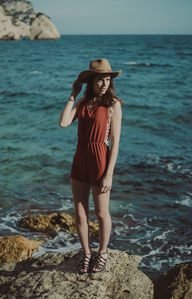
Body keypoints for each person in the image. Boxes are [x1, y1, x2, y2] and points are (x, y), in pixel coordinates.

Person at [59, 58, 122, 274]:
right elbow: (64, 122)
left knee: (102, 213)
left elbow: (115, 143)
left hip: (100, 160)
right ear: (91, 81)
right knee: (80, 212)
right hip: (80, 159)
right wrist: (72, 95)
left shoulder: (113, 105)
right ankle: (86, 253)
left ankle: (102, 252)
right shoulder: (82, 103)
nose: (104, 83)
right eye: (100, 79)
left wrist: (109, 173)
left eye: (107, 79)